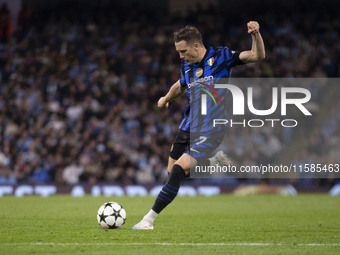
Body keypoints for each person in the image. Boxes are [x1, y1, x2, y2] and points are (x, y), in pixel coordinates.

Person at [133, 21, 265, 230]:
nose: (181, 56)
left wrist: (255, 35)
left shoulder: (221, 56)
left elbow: (256, 56)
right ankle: (214, 161)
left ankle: (148, 220)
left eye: (183, 51)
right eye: (178, 52)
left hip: (211, 129)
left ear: (196, 46)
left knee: (178, 170)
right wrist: (166, 98)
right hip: (188, 126)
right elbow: (181, 84)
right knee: (172, 174)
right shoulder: (186, 65)